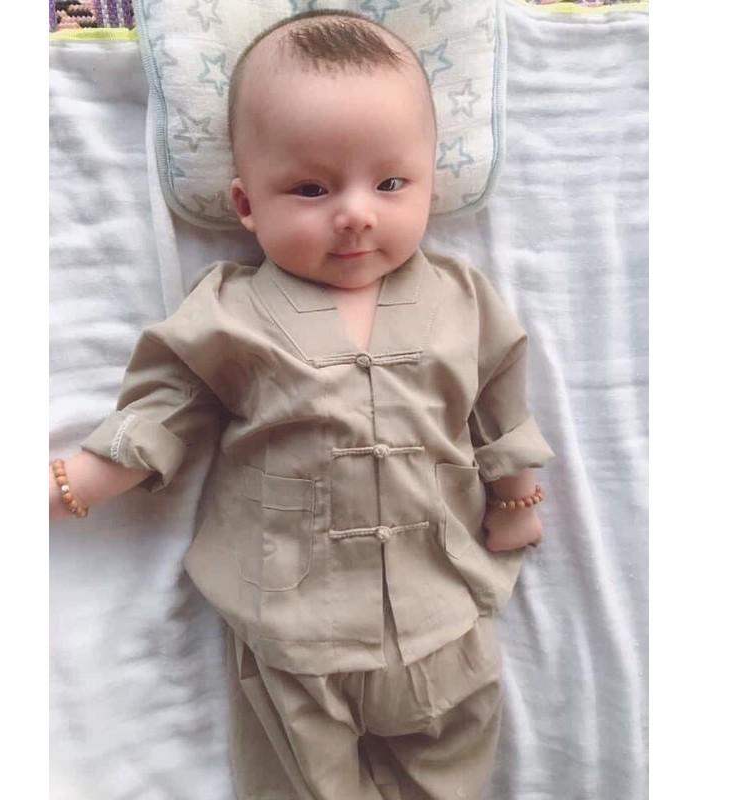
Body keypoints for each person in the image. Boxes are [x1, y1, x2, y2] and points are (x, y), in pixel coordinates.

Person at [49, 9, 555, 799]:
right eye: (312, 189)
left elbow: (499, 402)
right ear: (247, 204)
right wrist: (80, 479)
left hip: (442, 613)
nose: (355, 212)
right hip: (293, 628)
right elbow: (166, 406)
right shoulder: (230, 310)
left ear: (430, 183)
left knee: (452, 770)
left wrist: (515, 497)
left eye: (391, 184)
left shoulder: (463, 299)